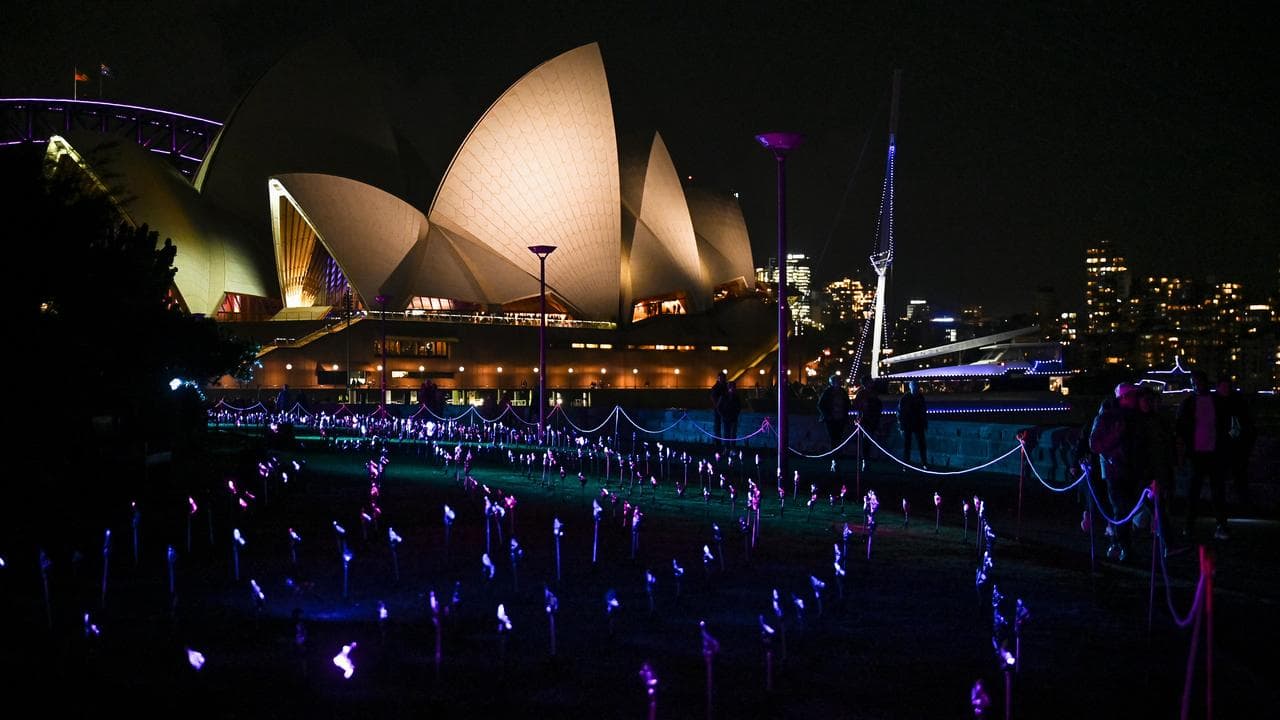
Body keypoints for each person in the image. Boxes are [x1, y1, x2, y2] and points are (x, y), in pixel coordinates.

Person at [1090, 382, 1144, 561]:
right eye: (1132, 396)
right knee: (1122, 509)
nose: (1135, 399)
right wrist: (1116, 435)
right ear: (1123, 398)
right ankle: (1124, 547)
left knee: (1126, 510)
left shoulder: (1135, 417)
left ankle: (1118, 542)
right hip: (1115, 470)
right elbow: (1095, 444)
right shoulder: (1106, 417)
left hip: (1132, 469)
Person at [1177, 370, 1230, 540]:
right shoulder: (1213, 402)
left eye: (1197, 382)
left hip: (1208, 452)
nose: (1195, 385)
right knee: (1201, 491)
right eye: (1194, 382)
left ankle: (1193, 525)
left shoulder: (1191, 403)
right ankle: (1213, 525)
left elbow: (1181, 428)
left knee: (1207, 491)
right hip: (1202, 452)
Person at [1215, 378, 1255, 509]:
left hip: (1234, 445)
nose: (1225, 389)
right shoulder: (1236, 402)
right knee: (1232, 475)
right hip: (1228, 445)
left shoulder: (1219, 402)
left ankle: (1240, 502)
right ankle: (1239, 502)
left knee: (1237, 475)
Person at [852, 377, 883, 462]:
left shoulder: (873, 393)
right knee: (866, 440)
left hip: (874, 419)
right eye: (870, 382)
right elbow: (856, 405)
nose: (871, 383)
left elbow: (878, 405)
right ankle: (865, 460)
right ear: (866, 383)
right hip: (865, 419)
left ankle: (869, 458)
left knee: (871, 439)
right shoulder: (862, 393)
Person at [897, 381, 928, 468]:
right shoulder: (908, 398)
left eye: (916, 386)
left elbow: (923, 411)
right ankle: (908, 464)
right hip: (909, 424)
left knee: (919, 445)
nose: (915, 388)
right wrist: (902, 426)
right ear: (911, 387)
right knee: (908, 445)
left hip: (916, 424)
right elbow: (900, 413)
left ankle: (923, 463)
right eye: (914, 386)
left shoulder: (911, 397)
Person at [817, 374, 849, 452]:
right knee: (833, 437)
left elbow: (847, 404)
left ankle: (837, 454)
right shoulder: (827, 392)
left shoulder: (843, 392)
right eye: (836, 381)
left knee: (839, 437)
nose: (838, 383)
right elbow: (820, 404)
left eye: (839, 381)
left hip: (840, 418)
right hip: (831, 419)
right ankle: (834, 455)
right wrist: (827, 415)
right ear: (832, 382)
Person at [718, 381, 742, 447]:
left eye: (733, 386)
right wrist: (722, 415)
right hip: (726, 418)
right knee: (726, 433)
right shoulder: (724, 396)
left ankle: (732, 448)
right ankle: (726, 448)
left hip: (733, 418)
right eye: (731, 386)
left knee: (733, 434)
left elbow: (739, 406)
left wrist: (736, 413)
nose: (732, 388)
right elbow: (719, 407)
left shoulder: (736, 397)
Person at [710, 372, 728, 447]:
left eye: (724, 378)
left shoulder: (725, 386)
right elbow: (713, 398)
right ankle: (718, 443)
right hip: (719, 409)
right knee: (718, 426)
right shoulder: (716, 387)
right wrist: (717, 406)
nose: (723, 379)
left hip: (724, 409)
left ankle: (723, 443)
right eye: (721, 378)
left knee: (724, 427)